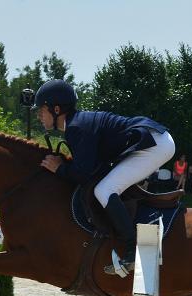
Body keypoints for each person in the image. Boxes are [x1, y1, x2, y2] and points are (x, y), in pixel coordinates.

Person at [35, 79, 175, 276]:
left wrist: (59, 169)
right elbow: (92, 168)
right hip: (154, 140)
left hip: (153, 145)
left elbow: (83, 174)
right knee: (106, 186)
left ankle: (132, 249)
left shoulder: (76, 127)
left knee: (105, 190)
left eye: (41, 109)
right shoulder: (76, 124)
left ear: (56, 109)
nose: (39, 115)